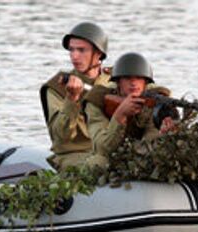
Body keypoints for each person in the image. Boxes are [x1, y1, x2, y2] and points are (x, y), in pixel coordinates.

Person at [84, 52, 176, 168]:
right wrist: (120, 115)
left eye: (138, 78)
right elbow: (102, 147)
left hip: (140, 153)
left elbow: (149, 140)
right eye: (127, 78)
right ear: (118, 82)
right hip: (110, 155)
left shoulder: (155, 99)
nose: (133, 83)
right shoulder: (97, 100)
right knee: (97, 163)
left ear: (146, 82)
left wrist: (162, 134)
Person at [39, 22, 111, 171]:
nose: (74, 56)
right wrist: (72, 100)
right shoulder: (56, 87)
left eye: (81, 50)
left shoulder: (115, 79)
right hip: (73, 155)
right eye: (71, 50)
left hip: (109, 149)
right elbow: (61, 136)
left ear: (98, 53)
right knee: (102, 164)